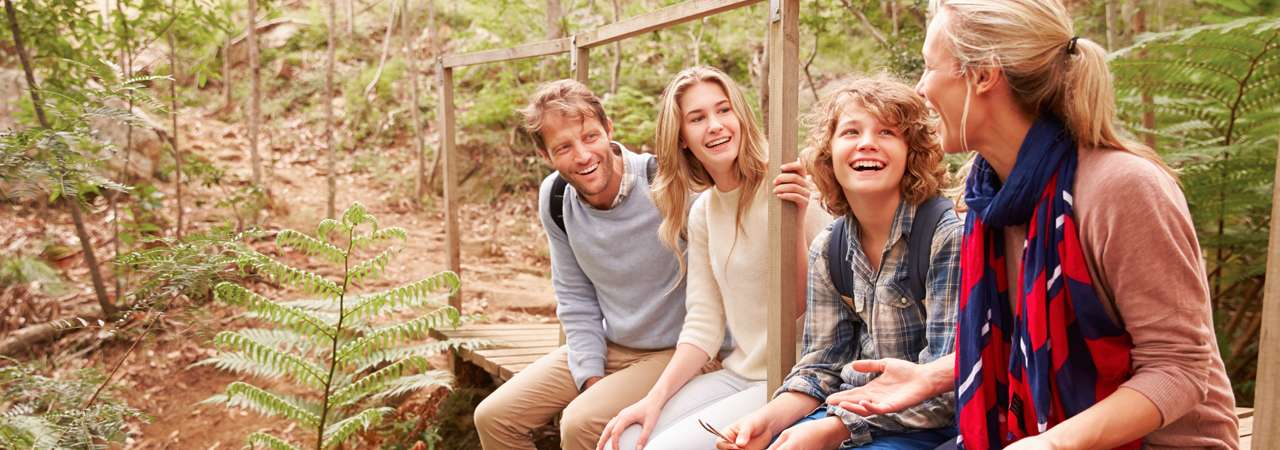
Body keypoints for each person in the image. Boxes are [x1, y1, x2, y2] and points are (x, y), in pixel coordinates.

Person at [825, 1, 1239, 448]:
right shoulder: (985, 199)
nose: (922, 89)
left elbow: (1179, 370)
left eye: (929, 67)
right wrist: (933, 375)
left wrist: (1053, 443)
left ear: (984, 75)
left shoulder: (1123, 188)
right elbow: (1022, 339)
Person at [714, 75, 962, 450]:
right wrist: (768, 419)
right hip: (848, 415)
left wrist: (833, 429)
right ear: (828, 154)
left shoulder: (943, 237)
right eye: (850, 132)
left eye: (886, 133)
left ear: (912, 152)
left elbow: (946, 387)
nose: (867, 143)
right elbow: (821, 366)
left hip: (926, 427)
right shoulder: (830, 249)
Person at [597, 66, 829, 450]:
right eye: (698, 118)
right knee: (622, 441)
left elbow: (816, 307)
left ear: (740, 116)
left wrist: (797, 219)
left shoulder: (790, 183)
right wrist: (651, 400)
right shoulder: (703, 211)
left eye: (724, 110)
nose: (716, 126)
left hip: (795, 379)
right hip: (741, 372)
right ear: (683, 138)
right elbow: (703, 324)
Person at [474, 79, 711, 450]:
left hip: (677, 349)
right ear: (545, 155)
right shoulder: (555, 198)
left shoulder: (666, 182)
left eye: (590, 137)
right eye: (564, 147)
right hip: (613, 343)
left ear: (608, 130)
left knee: (581, 423)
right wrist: (590, 376)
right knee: (494, 417)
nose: (583, 155)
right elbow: (574, 297)